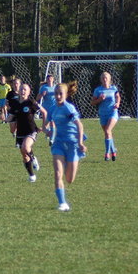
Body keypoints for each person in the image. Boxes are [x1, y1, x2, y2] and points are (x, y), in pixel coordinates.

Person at [50, 82, 87, 211]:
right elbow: (49, 123)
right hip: (58, 143)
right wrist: (46, 130)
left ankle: (67, 162)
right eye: (56, 94)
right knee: (57, 173)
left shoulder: (68, 108)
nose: (58, 96)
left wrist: (80, 142)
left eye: (61, 94)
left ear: (66, 95)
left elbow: (79, 125)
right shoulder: (53, 108)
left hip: (72, 144)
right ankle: (62, 203)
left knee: (69, 179)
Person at [14, 84, 48, 182]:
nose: (23, 91)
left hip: (31, 130)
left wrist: (44, 126)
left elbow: (44, 112)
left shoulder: (31, 102)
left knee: (25, 147)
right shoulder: (15, 104)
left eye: (25, 89)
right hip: (20, 132)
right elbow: (13, 117)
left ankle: (33, 159)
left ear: (29, 92)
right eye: (21, 89)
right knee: (24, 154)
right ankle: (31, 175)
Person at [91, 72, 120, 161]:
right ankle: (113, 151)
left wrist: (117, 103)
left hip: (112, 112)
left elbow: (118, 97)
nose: (104, 79)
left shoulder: (113, 88)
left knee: (107, 130)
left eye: (106, 78)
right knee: (107, 133)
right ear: (101, 79)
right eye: (103, 78)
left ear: (109, 79)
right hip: (103, 114)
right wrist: (99, 99)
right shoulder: (98, 90)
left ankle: (107, 153)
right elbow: (92, 102)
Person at [36, 74, 57, 145]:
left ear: (53, 79)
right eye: (48, 78)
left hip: (54, 108)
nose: (49, 79)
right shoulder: (43, 87)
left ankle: (52, 140)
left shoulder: (56, 87)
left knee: (52, 122)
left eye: (51, 78)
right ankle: (49, 133)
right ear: (46, 80)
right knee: (44, 127)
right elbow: (37, 98)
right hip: (45, 109)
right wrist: (42, 94)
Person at [4, 76, 22, 143]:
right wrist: (8, 106)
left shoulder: (22, 92)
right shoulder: (10, 93)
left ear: (20, 84)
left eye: (17, 83)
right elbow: (6, 102)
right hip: (12, 113)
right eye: (14, 84)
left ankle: (18, 142)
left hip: (20, 112)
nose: (15, 85)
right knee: (12, 130)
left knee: (19, 126)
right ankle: (14, 131)